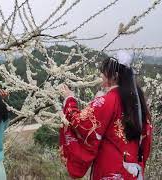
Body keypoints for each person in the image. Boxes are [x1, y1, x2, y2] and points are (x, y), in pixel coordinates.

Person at [58, 51, 152, 179]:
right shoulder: (138, 102)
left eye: (103, 72)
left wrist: (69, 100)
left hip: (110, 169)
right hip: (133, 169)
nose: (101, 75)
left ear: (114, 76)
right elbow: (145, 141)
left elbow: (82, 124)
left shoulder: (108, 100)